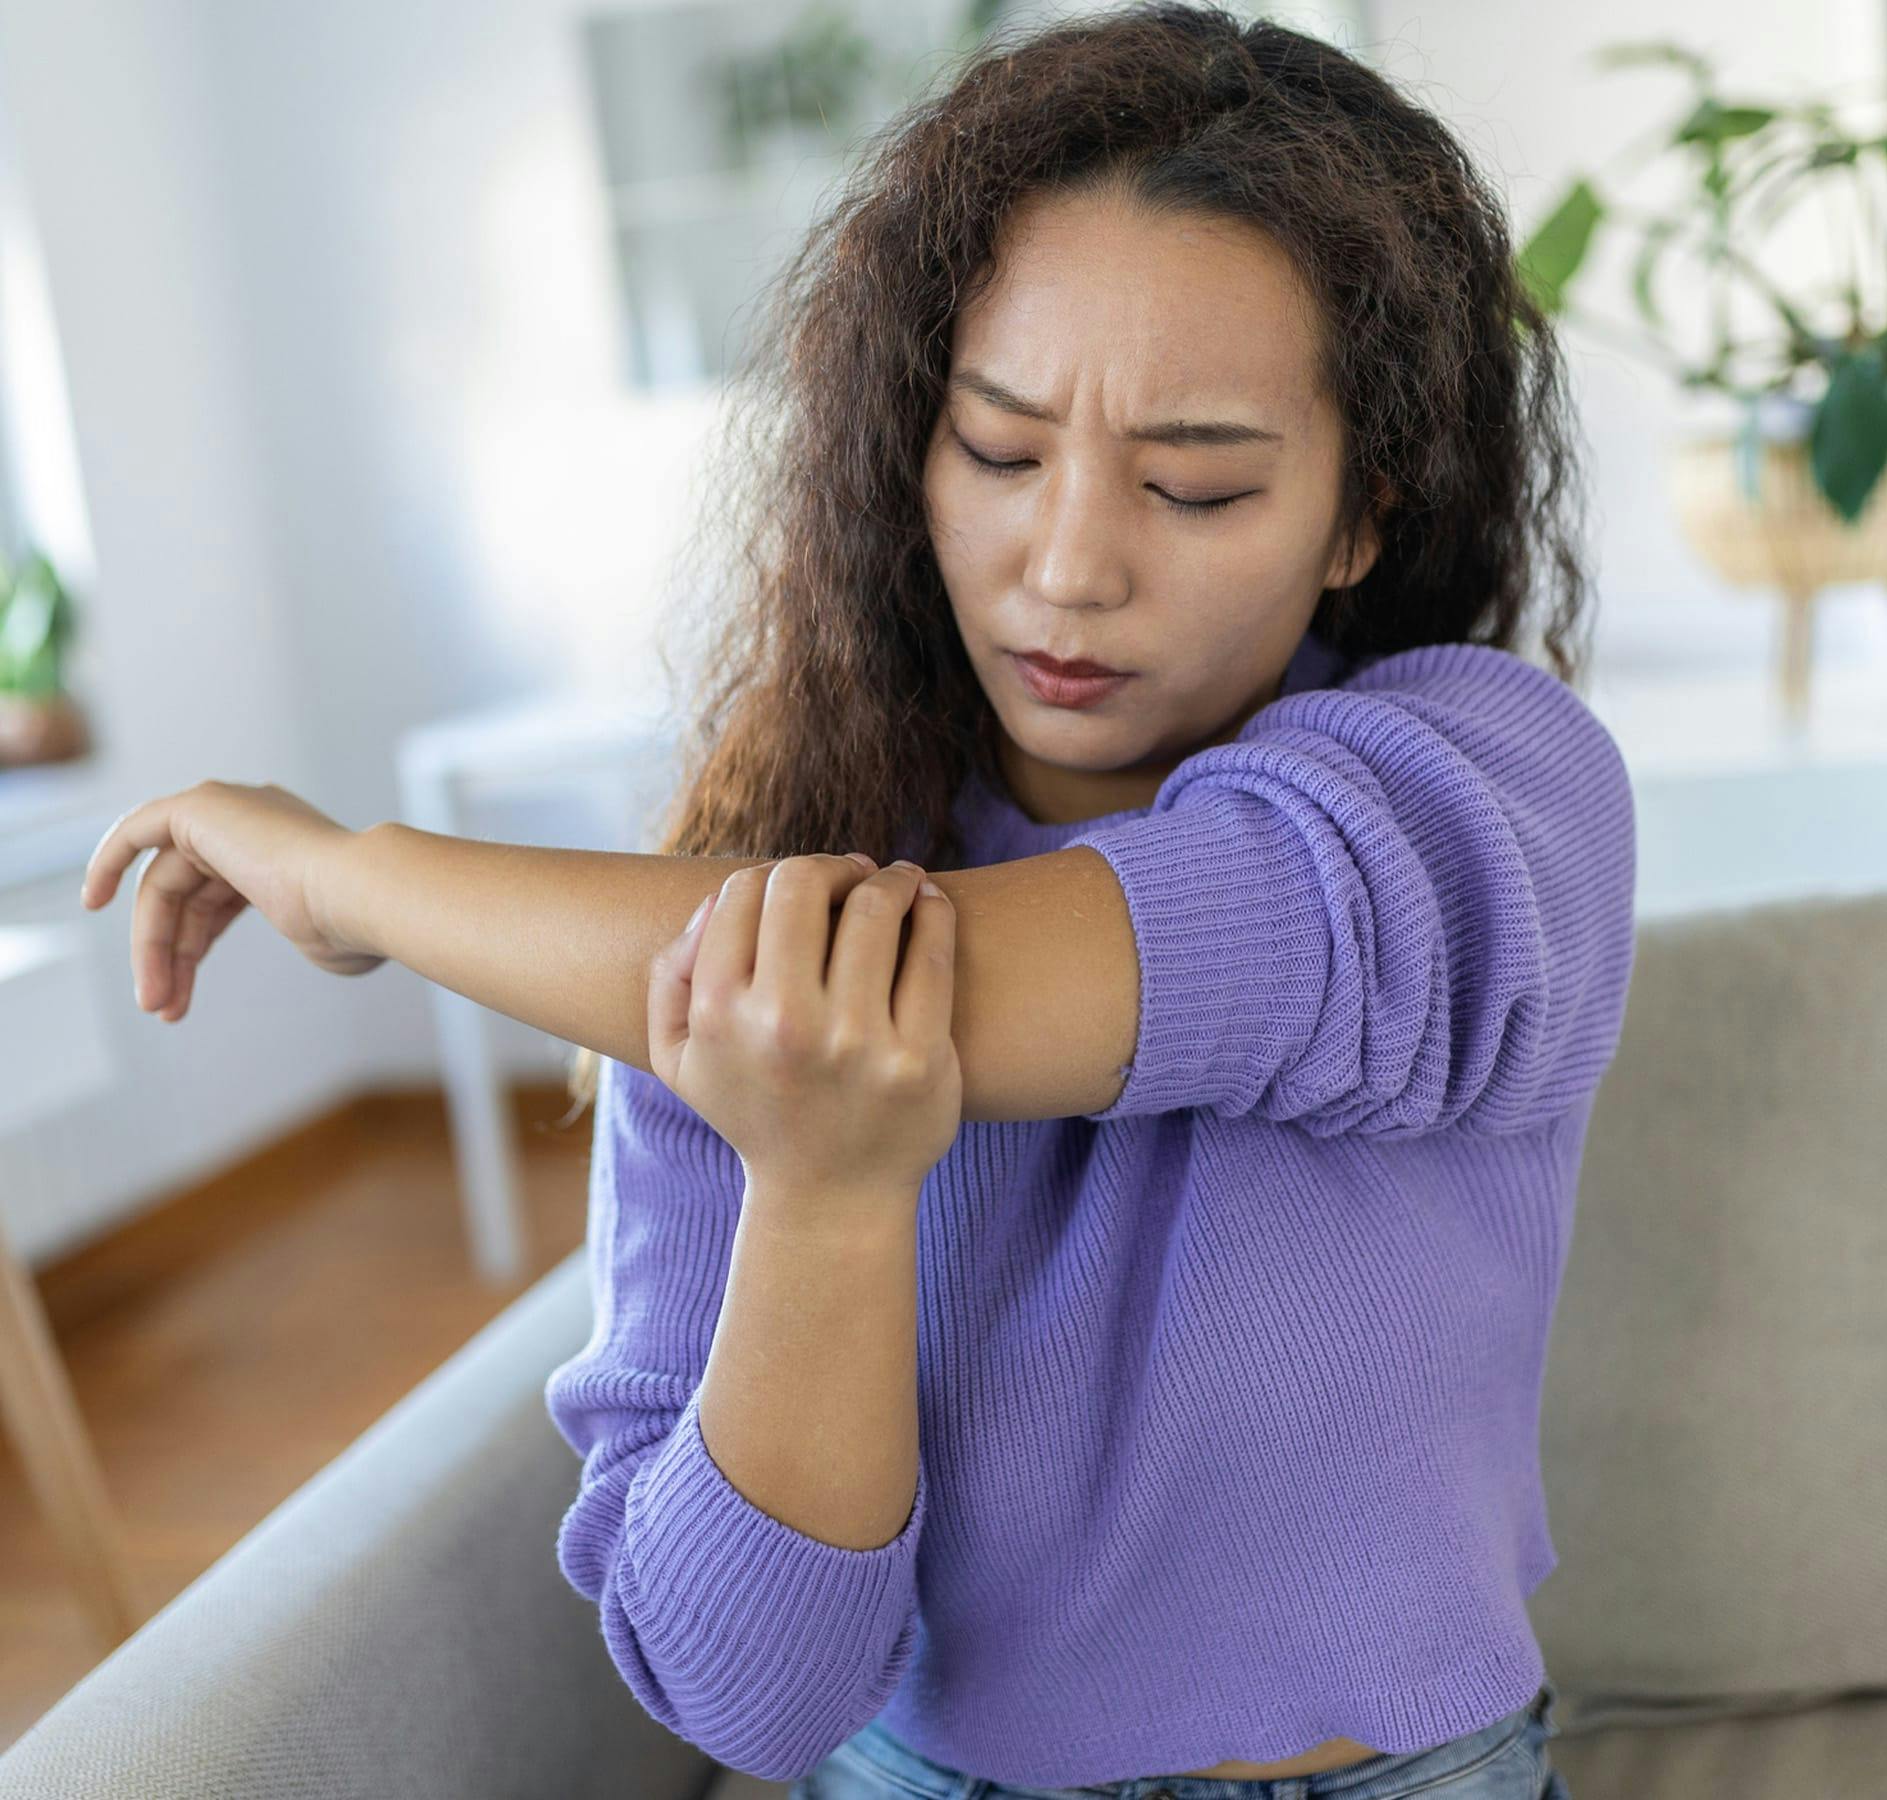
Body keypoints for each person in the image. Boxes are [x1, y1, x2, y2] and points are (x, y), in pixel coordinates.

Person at [75, 5, 1621, 1797]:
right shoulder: (738, 894)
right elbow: (745, 1700)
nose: (1069, 565)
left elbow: (960, 984)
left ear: (1363, 514)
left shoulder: (1483, 794)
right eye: (1000, 452)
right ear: (907, 450)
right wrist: (821, 1195)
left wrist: (358, 882)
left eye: (1196, 484)